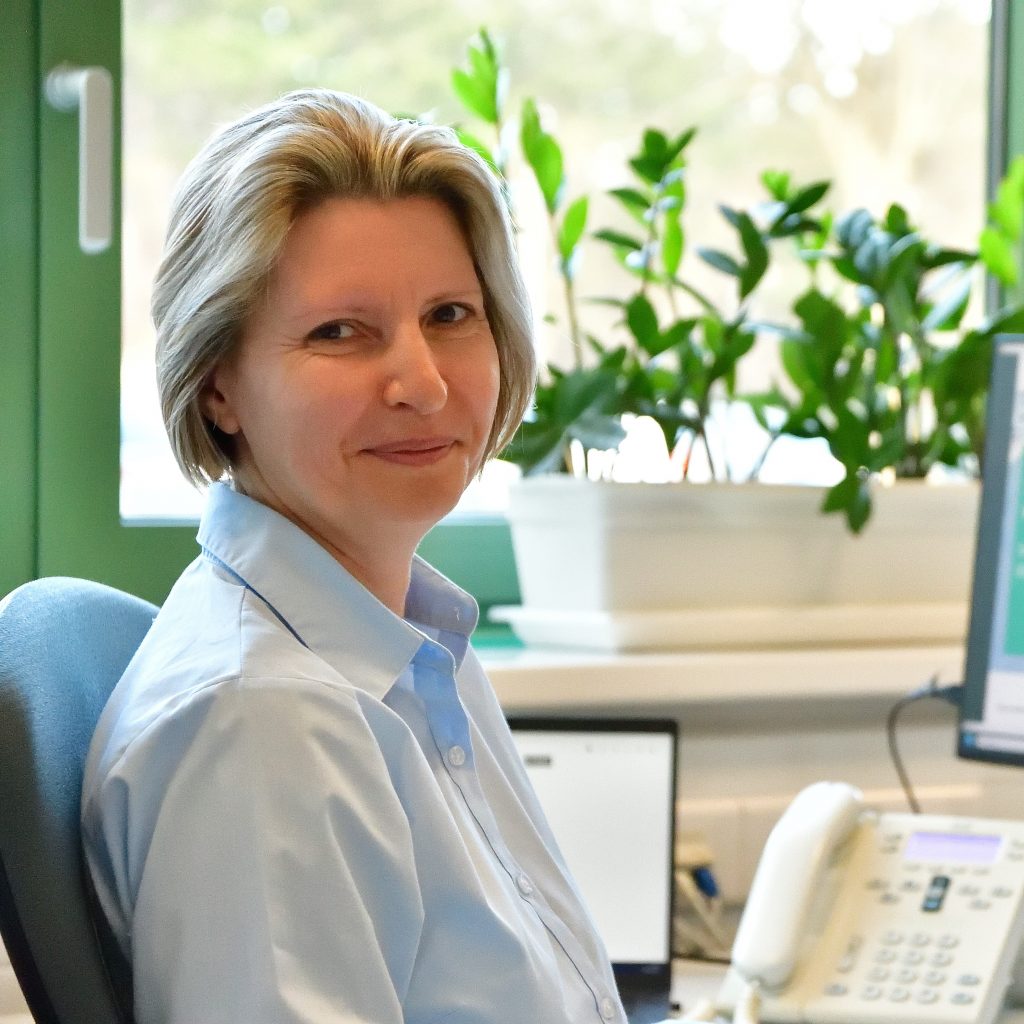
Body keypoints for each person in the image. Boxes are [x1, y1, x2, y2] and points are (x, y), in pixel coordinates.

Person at [81, 90, 626, 1024]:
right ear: (219, 387)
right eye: (340, 332)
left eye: (452, 314)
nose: (422, 381)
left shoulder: (409, 652)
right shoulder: (269, 724)